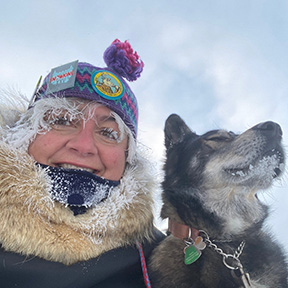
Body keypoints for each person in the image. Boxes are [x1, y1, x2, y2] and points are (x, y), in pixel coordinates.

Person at [0, 39, 164, 287]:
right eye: (63, 120)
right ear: (25, 134)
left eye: (108, 133)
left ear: (127, 159)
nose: (84, 145)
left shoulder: (161, 259)